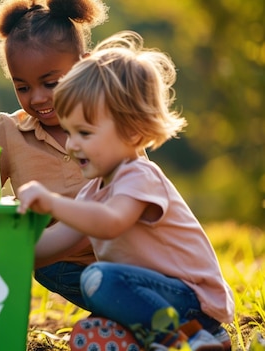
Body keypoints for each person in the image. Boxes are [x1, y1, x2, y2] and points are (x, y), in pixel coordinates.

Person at [16, 31, 234, 350]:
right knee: (89, 323)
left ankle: (195, 338)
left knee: (97, 279)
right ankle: (154, 339)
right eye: (69, 130)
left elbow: (110, 221)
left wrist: (51, 203)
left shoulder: (139, 175)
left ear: (131, 130)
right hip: (151, 296)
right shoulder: (93, 191)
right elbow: (52, 245)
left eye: (85, 133)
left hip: (191, 300)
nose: (72, 145)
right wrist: (2, 250)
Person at [0, 0, 108, 307]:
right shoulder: (9, 133)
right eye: (22, 87)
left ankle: (129, 317)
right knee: (47, 268)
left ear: (84, 67)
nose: (37, 98)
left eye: (51, 83)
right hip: (66, 263)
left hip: (130, 254)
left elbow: (142, 185)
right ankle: (122, 316)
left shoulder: (111, 122)